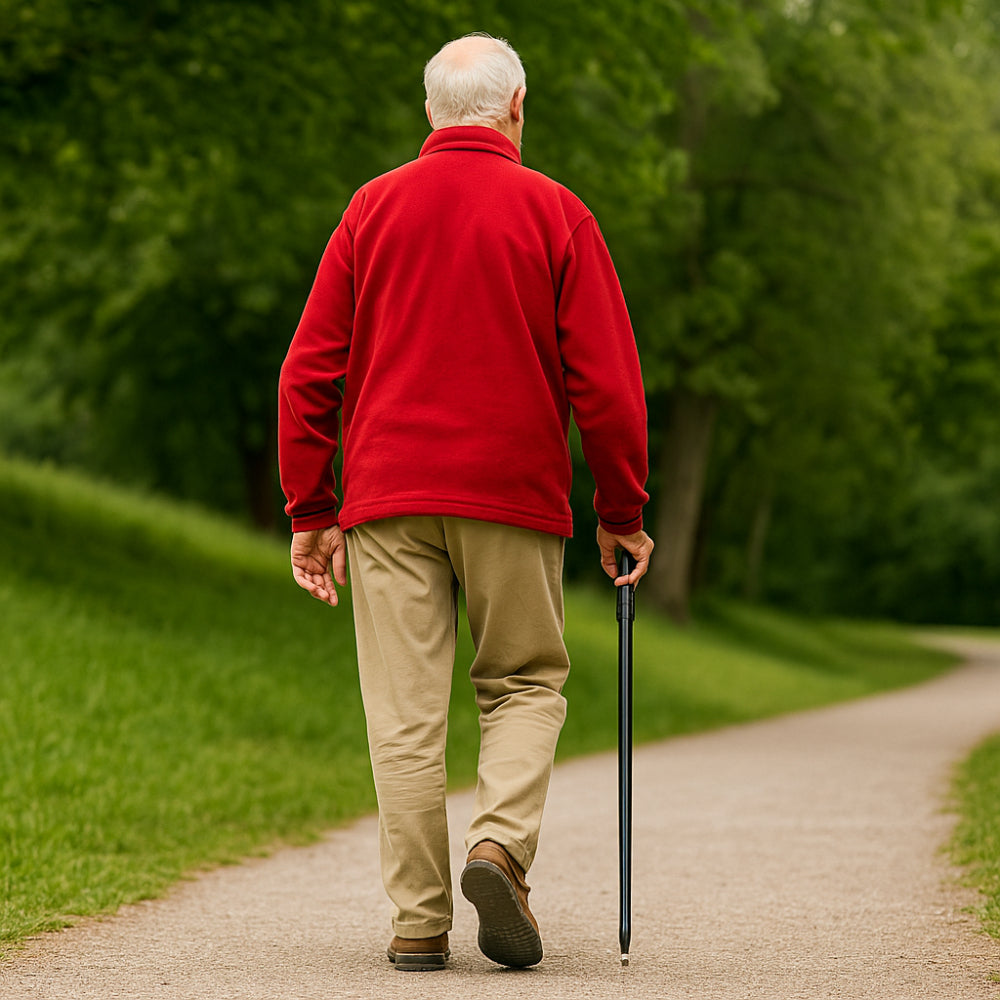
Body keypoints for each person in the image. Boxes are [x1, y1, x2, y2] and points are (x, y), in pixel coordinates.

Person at [277, 32, 653, 972]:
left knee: (404, 715)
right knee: (523, 682)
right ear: (517, 107)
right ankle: (499, 847)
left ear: (430, 113)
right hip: (510, 495)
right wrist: (621, 510)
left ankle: (417, 922)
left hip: (386, 499)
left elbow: (307, 373)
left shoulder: (371, 208)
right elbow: (609, 387)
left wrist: (311, 508)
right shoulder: (558, 213)